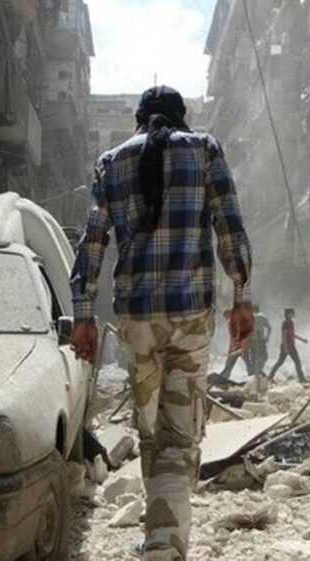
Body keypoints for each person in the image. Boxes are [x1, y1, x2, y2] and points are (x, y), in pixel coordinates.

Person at [70, 85, 254, 561]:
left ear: (138, 119)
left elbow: (92, 242)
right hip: (190, 315)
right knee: (179, 434)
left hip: (136, 318)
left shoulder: (111, 162)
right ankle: (165, 545)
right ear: (180, 116)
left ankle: (159, 535)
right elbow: (229, 227)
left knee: (151, 430)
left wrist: (83, 315)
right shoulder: (204, 149)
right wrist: (241, 299)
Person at [269, 308, 308, 383]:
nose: (293, 314)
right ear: (288, 314)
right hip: (287, 346)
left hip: (291, 346)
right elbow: (284, 335)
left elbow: (292, 334)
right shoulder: (286, 323)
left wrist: (302, 339)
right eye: (291, 313)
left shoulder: (291, 322)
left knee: (295, 362)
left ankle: (301, 378)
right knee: (284, 362)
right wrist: (285, 347)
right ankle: (301, 378)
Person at [218, 308, 254, 379]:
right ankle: (224, 377)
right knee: (246, 362)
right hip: (238, 347)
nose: (226, 318)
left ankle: (224, 377)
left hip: (239, 347)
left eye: (226, 316)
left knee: (233, 363)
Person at [250, 305, 272, 376]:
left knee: (254, 357)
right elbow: (269, 327)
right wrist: (267, 337)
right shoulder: (262, 317)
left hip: (253, 340)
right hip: (261, 340)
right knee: (264, 356)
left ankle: (257, 372)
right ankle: (259, 371)